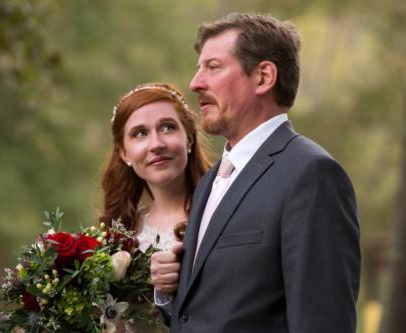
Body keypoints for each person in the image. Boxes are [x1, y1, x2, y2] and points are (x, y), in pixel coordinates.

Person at [152, 13, 361, 332]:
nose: (196, 83)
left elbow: (323, 320)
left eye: (213, 67)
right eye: (199, 68)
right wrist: (168, 295)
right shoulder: (210, 181)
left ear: (264, 77)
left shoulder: (311, 175)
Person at [100, 82, 212, 332]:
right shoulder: (119, 232)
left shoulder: (220, 212)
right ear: (124, 153)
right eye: (140, 133)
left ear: (189, 138)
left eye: (168, 127)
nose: (156, 144)